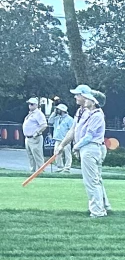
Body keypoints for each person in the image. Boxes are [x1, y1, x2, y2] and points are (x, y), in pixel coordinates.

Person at [58, 85, 111, 217]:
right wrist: (63, 145)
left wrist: (76, 146)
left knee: (91, 181)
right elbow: (73, 130)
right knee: (96, 180)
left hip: (92, 148)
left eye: (82, 96)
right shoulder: (81, 111)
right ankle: (104, 206)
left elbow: (89, 136)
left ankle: (97, 211)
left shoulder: (97, 115)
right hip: (86, 148)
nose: (77, 97)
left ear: (93, 101)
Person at [23, 97, 47, 173]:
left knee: (37, 155)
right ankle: (32, 171)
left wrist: (36, 133)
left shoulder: (38, 113)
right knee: (30, 156)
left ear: (36, 105)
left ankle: (41, 171)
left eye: (32, 104)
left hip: (35, 138)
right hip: (28, 138)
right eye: (29, 104)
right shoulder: (30, 114)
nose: (30, 106)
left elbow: (44, 125)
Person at [49, 103, 74, 172]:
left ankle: (67, 168)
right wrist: (54, 113)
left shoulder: (69, 119)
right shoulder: (57, 118)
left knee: (67, 154)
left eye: (58, 109)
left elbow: (72, 129)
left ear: (62, 110)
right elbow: (50, 121)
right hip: (58, 139)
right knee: (56, 153)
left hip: (66, 139)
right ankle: (60, 167)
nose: (57, 110)